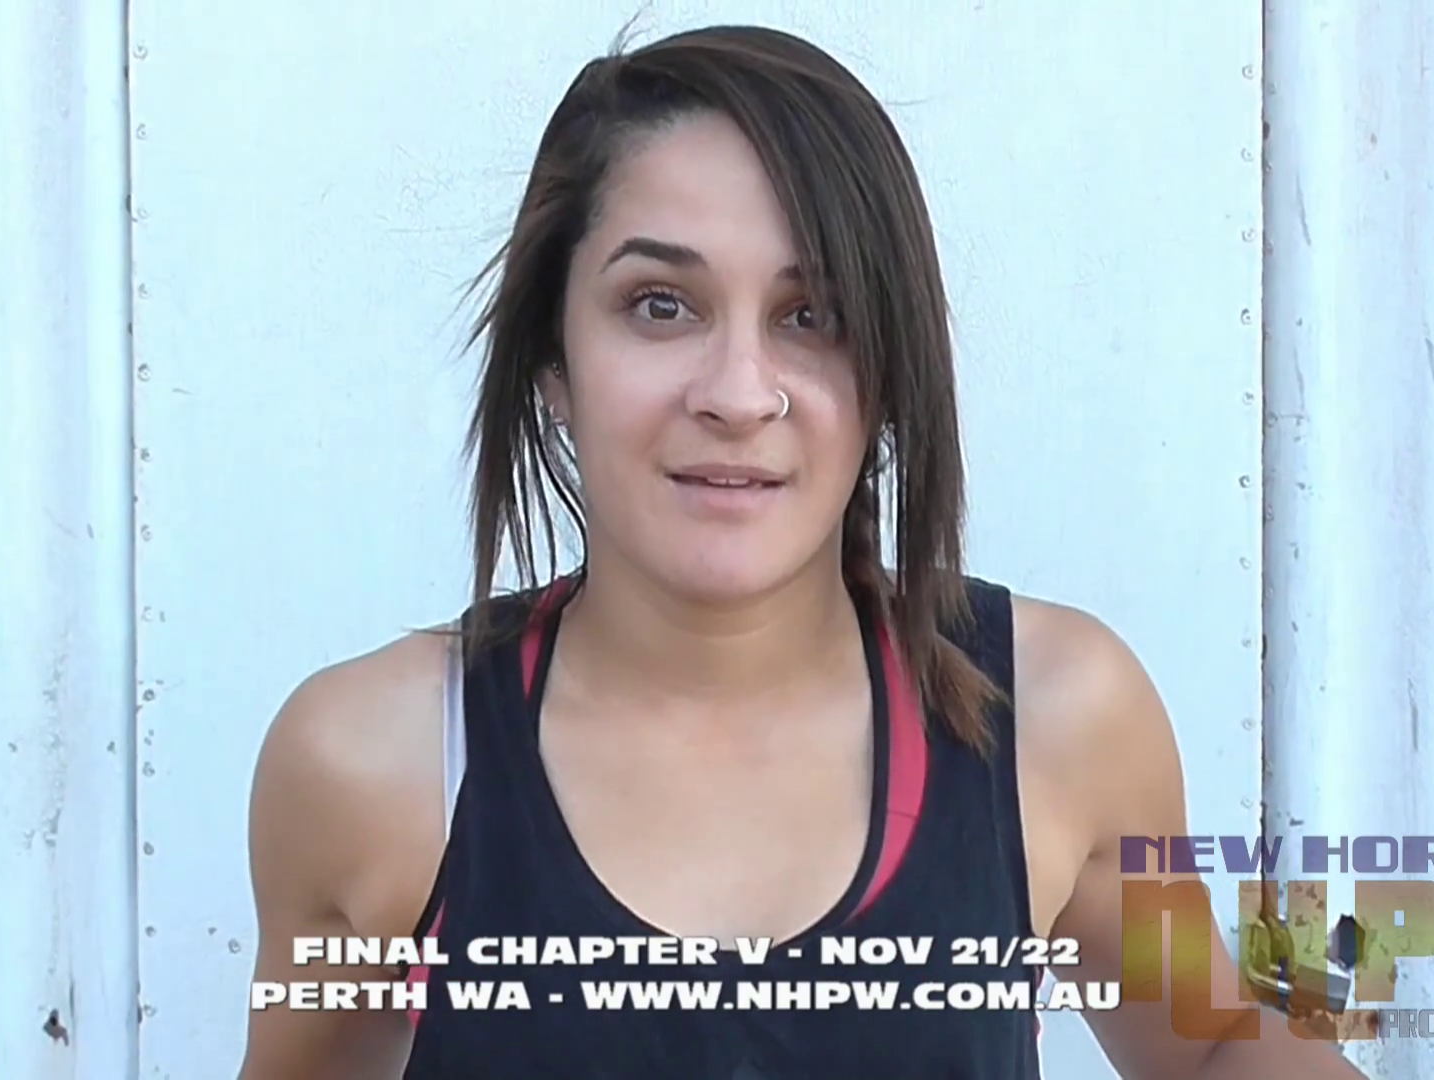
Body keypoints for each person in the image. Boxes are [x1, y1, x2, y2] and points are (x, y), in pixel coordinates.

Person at [239, 24, 1367, 1080]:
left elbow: (1213, 1043)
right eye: (661, 305)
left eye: (811, 315)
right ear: (555, 364)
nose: (739, 395)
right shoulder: (375, 765)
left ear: (889, 373)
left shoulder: (1057, 716)